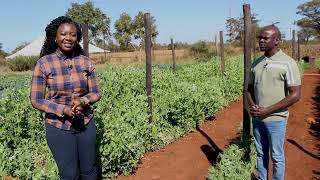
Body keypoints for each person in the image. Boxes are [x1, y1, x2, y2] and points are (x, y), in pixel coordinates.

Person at [30, 16, 101, 179]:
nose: (68, 38)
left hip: (86, 124)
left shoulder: (85, 62)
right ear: (55, 37)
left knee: (89, 171)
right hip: (58, 127)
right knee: (69, 174)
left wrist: (83, 100)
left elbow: (96, 92)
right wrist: (64, 110)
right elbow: (36, 99)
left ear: (77, 38)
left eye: (73, 35)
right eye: (63, 34)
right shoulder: (44, 63)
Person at [247, 25, 301, 180]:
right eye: (260, 38)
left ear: (277, 40)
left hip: (276, 119)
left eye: (265, 38)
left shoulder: (287, 63)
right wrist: (254, 108)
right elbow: (248, 90)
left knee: (276, 156)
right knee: (261, 153)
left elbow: (296, 94)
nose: (261, 41)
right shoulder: (257, 63)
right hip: (258, 119)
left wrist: (268, 110)